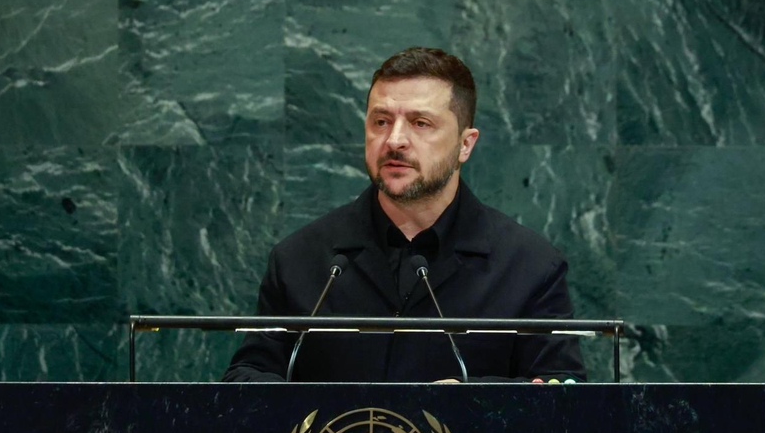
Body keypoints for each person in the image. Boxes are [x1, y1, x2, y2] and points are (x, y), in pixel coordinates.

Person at [224, 47, 586, 383]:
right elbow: (248, 378)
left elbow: (562, 399)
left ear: (465, 144)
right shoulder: (299, 260)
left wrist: (471, 400)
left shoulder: (531, 268)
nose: (395, 140)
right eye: (381, 121)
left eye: (420, 123)